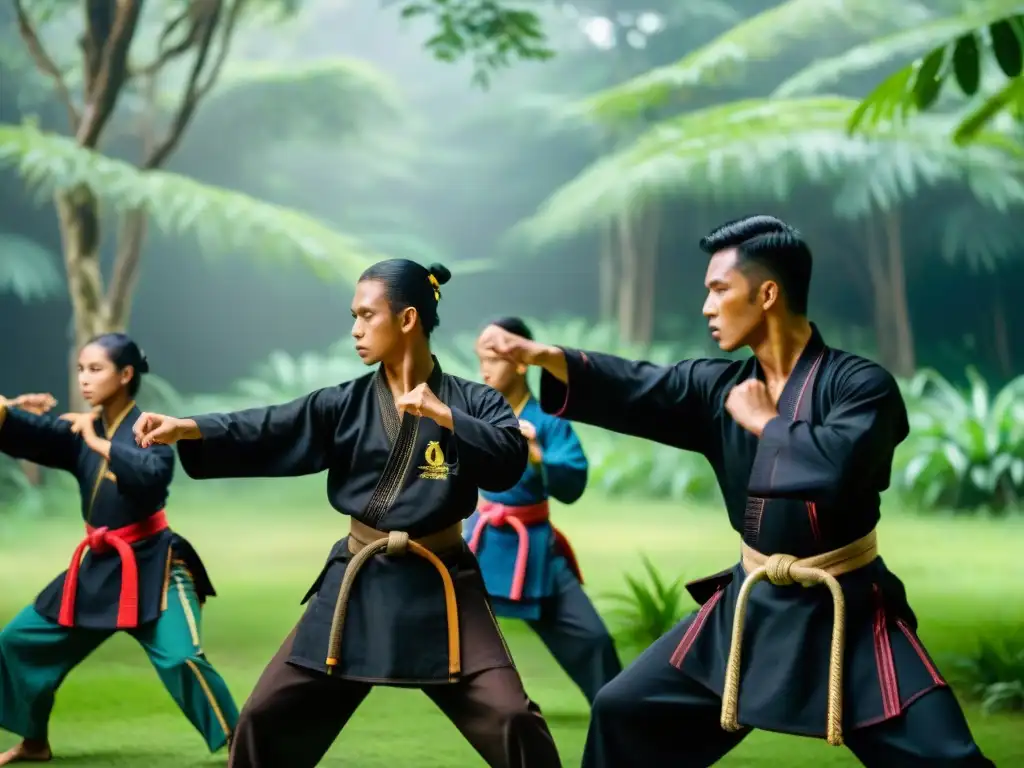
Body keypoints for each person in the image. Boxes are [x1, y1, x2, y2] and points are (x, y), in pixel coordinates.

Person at [477, 216, 994, 767]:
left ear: (767, 293)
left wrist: (767, 424)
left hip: (849, 611)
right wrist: (538, 355)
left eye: (719, 289)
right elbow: (637, 385)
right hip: (752, 610)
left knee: (947, 758)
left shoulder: (862, 386)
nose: (707, 306)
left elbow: (842, 468)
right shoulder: (718, 387)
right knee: (624, 711)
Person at [131, 260, 563, 768]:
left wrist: (448, 417)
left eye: (366, 315)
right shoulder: (345, 404)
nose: (355, 330)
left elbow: (508, 459)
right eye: (353, 316)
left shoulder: (475, 401)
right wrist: (191, 428)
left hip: (443, 582)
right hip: (357, 584)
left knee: (512, 718)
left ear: (406, 320)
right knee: (263, 720)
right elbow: (273, 427)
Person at [0, 333, 237, 766]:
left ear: (125, 375)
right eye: (80, 370)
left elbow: (150, 476)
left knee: (182, 658)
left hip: (155, 564)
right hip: (99, 568)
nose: (84, 380)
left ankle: (242, 743)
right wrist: (10, 408)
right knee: (18, 640)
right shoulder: (81, 430)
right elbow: (27, 433)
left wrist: (96, 442)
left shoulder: (150, 427)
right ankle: (33, 740)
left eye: (95, 369)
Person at [467, 316, 621, 705]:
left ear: (521, 362)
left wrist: (536, 455)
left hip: (532, 548)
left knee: (593, 639)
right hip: (479, 543)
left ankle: (621, 711)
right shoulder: (473, 416)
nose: (485, 369)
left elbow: (572, 479)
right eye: (480, 359)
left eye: (494, 358)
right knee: (438, 621)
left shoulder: (549, 422)